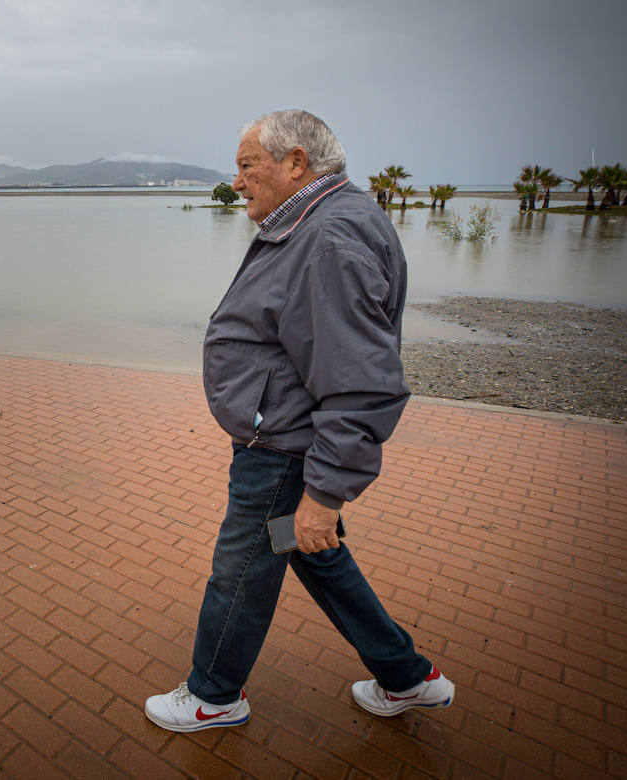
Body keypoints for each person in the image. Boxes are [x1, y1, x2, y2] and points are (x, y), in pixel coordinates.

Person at [145, 110, 453, 732]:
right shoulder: (322, 220)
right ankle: (406, 677)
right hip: (288, 438)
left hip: (284, 450)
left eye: (246, 165)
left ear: (296, 164)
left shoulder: (330, 238)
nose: (236, 181)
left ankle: (213, 695)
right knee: (310, 550)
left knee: (242, 571)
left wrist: (324, 491)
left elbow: (363, 382)